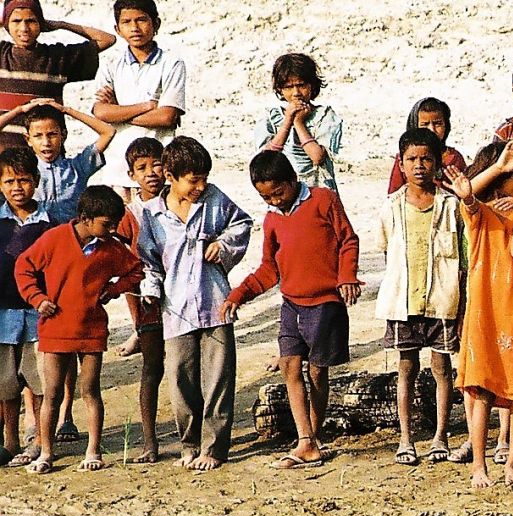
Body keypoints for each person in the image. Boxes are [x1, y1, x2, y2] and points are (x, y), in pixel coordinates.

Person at [221, 150, 360, 470]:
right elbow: (269, 269)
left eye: (278, 193)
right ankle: (306, 440)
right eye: (265, 197)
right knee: (289, 367)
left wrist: (347, 276)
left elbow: (348, 240)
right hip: (291, 304)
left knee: (316, 372)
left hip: (325, 302)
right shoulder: (271, 220)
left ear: (293, 180)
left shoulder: (324, 200)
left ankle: (313, 435)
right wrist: (238, 296)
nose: (274, 201)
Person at [136, 135, 252, 471]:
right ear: (170, 176)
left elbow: (242, 223)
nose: (200, 186)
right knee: (180, 379)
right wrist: (151, 289)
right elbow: (150, 261)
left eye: (204, 178)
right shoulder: (152, 214)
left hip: (215, 302)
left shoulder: (215, 199)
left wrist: (224, 244)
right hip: (175, 310)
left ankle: (214, 449)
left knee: (218, 379)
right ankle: (189, 443)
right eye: (193, 180)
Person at [445, 139, 513, 489]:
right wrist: (499, 167)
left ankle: (511, 462)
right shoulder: (478, 210)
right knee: (481, 389)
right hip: (485, 307)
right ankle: (478, 464)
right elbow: (467, 193)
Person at [15, 183, 141, 472]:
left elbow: (136, 270)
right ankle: (46, 452)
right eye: (107, 224)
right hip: (56, 328)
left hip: (91, 330)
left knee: (90, 390)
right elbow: (24, 267)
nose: (112, 230)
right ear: (85, 218)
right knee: (52, 393)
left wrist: (114, 289)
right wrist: (38, 298)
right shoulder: (55, 239)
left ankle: (93, 451)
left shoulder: (111, 248)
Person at [376, 128, 466, 468]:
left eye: (426, 159)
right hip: (404, 303)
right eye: (412, 159)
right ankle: (405, 437)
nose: (419, 166)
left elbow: (462, 255)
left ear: (438, 162)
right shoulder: (391, 207)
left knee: (442, 368)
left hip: (442, 301)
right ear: (401, 164)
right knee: (406, 368)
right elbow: (387, 251)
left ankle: (441, 435)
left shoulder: (450, 205)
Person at [89, 0, 184, 197]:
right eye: (127, 22)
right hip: (117, 169)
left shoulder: (171, 64)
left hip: (158, 172)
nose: (134, 28)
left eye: (141, 20)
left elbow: (166, 117)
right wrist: (147, 106)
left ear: (156, 24)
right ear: (118, 29)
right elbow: (100, 112)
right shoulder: (111, 64)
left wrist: (118, 111)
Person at [0, 0, 114, 148]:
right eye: (16, 21)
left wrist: (61, 25)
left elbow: (108, 39)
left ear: (41, 23)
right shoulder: (2, 54)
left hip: (46, 154)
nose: (24, 28)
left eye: (31, 21)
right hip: (5, 156)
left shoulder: (57, 58)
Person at [112, 135, 163, 460]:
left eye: (156, 165)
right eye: (142, 168)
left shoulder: (178, 201)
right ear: (131, 176)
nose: (151, 173)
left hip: (182, 296)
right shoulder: (130, 213)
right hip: (146, 301)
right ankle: (149, 439)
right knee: (151, 368)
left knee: (186, 367)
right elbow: (117, 256)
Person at [0, 144, 51, 466]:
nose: (17, 188)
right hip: (2, 314)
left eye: (23, 180)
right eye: (9, 182)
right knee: (5, 383)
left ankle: (40, 442)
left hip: (37, 314)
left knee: (40, 380)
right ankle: (10, 440)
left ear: (35, 181)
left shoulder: (49, 224)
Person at [8, 100, 115, 221]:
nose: (46, 143)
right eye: (38, 136)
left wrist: (67, 110)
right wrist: (19, 110)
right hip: (37, 237)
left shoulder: (78, 167)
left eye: (52, 134)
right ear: (28, 139)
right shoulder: (23, 171)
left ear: (63, 136)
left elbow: (108, 132)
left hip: (71, 236)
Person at [256, 52, 341, 191]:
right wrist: (287, 121)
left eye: (301, 85)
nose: (296, 92)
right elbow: (265, 161)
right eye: (288, 87)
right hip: (283, 193)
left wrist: (298, 123)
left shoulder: (324, 116)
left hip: (318, 190)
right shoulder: (271, 118)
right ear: (280, 89)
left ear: (312, 85)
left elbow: (317, 157)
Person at [386, 98, 467, 194]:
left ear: (446, 126)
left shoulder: (454, 158)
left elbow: (465, 191)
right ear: (414, 125)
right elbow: (393, 193)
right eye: (425, 124)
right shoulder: (404, 158)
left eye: (438, 124)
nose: (432, 129)